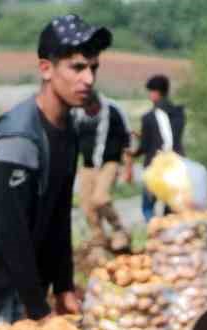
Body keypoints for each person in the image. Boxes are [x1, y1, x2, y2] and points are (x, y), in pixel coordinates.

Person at [0, 14, 111, 330]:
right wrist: (38, 311)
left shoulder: (68, 130)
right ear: (46, 68)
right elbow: (11, 230)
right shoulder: (19, 138)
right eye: (77, 67)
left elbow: (58, 215)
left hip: (16, 275)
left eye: (93, 68)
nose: (88, 79)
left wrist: (63, 286)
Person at [75, 90, 132, 252]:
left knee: (100, 198)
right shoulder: (78, 115)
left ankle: (118, 228)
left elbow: (127, 139)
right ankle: (99, 240)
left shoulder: (113, 111)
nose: (87, 111)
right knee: (87, 206)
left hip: (110, 162)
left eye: (89, 108)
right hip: (87, 165)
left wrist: (128, 167)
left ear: (95, 104)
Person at [135, 74, 186, 222]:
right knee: (171, 208)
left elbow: (145, 146)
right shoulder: (179, 113)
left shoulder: (149, 117)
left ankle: (154, 232)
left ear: (155, 93)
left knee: (147, 207)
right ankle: (168, 236)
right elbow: (169, 137)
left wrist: (133, 153)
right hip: (176, 165)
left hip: (155, 167)